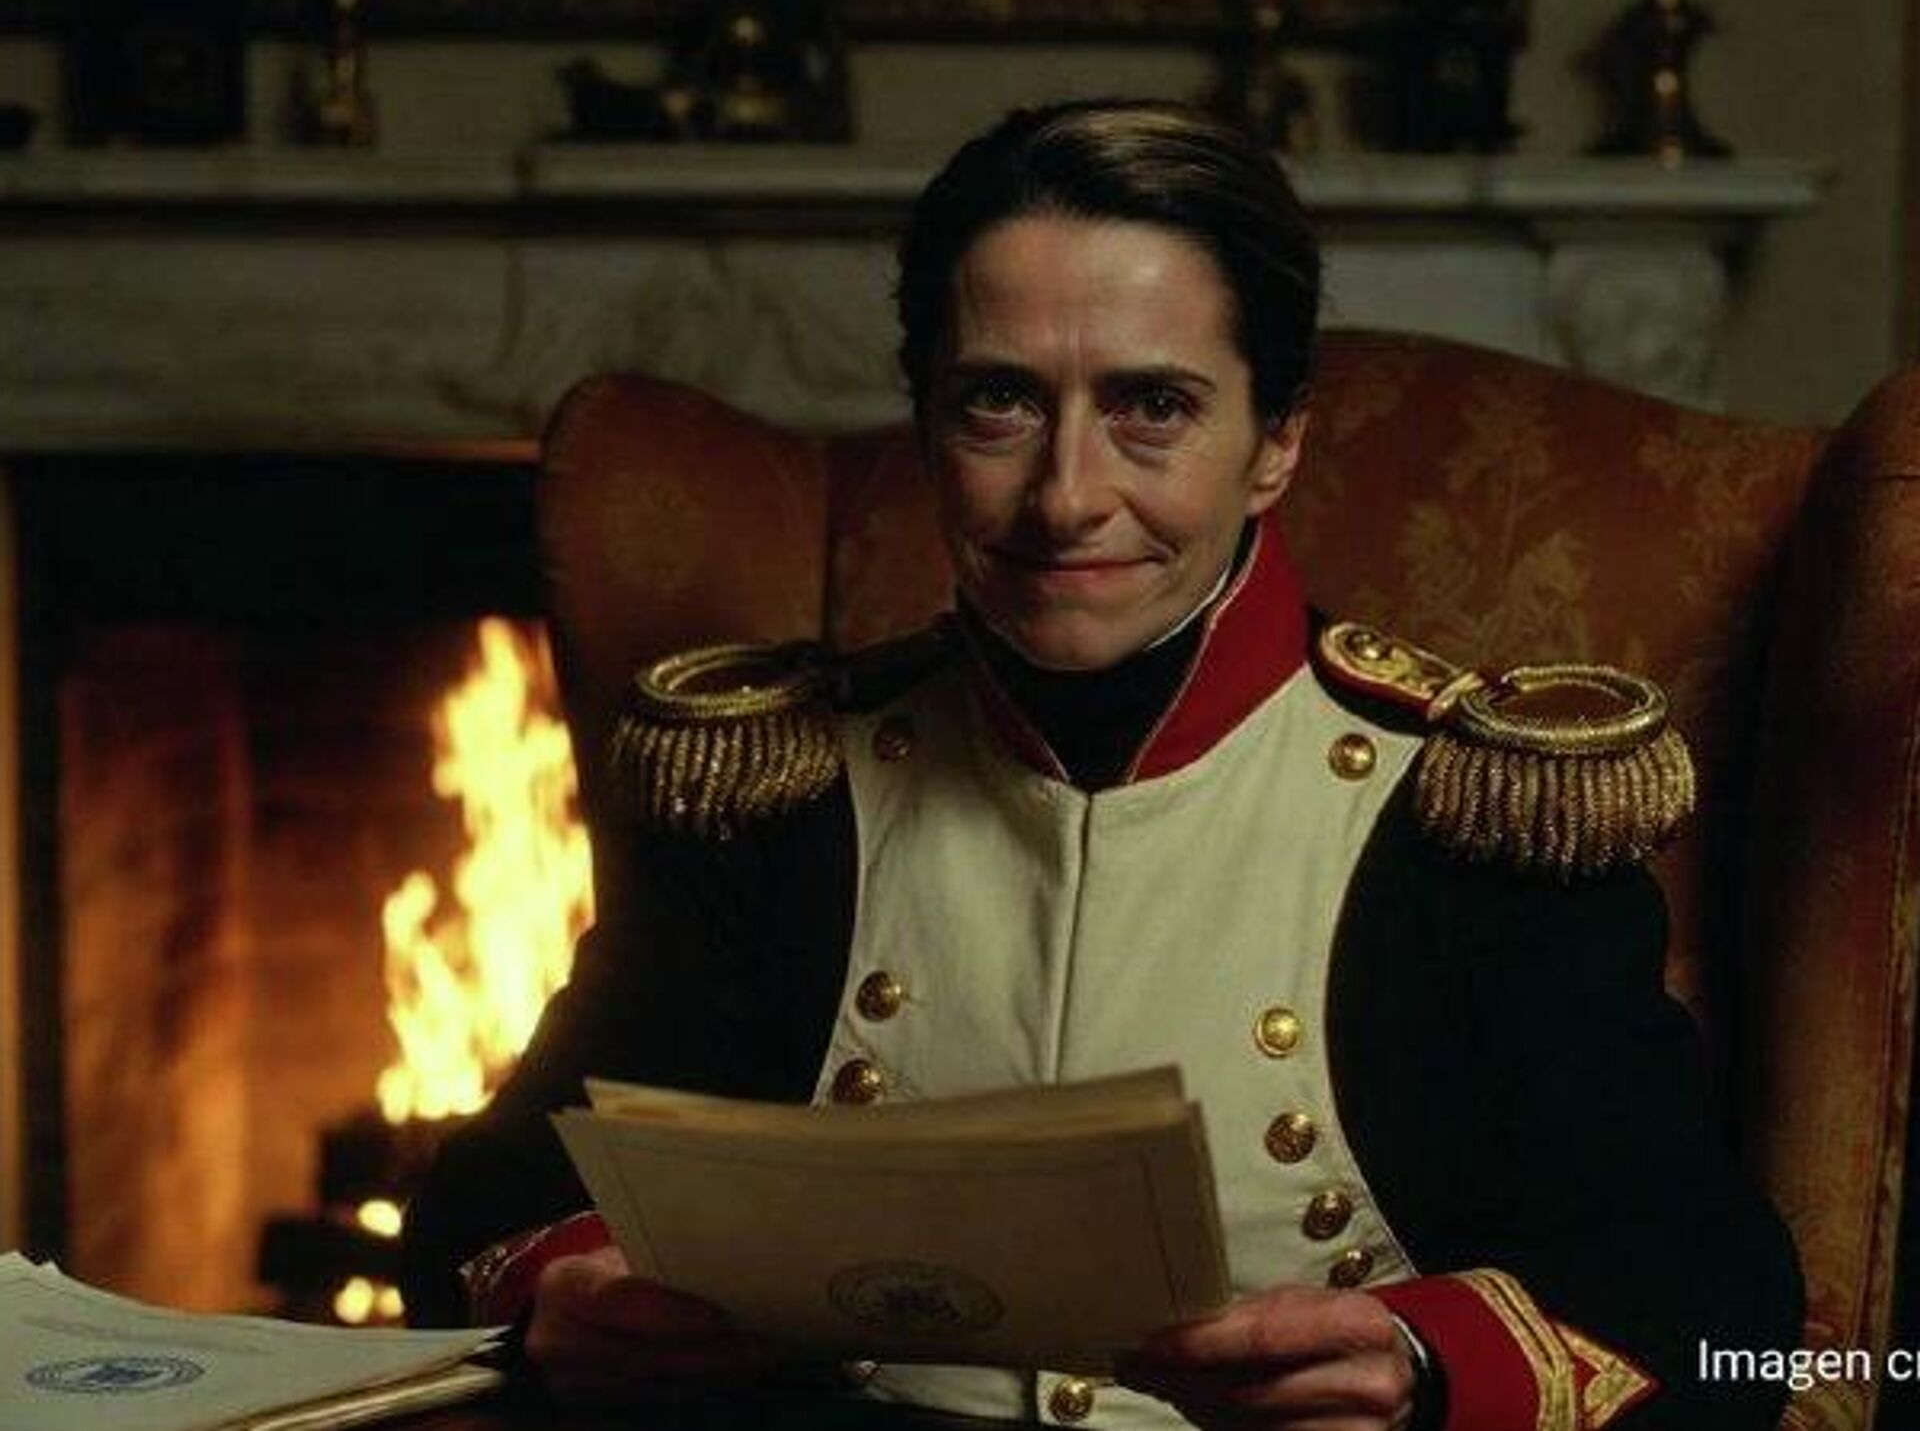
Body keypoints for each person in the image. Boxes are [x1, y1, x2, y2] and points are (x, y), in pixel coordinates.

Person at [401, 100, 1802, 1431]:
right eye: (1000, 403)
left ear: (1277, 441)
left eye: (1154, 408)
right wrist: (572, 1295)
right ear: (927, 425)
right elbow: (489, 1205)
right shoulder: (777, 798)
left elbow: (1722, 1310)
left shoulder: (1473, 818)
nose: (1068, 496)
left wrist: (1427, 1368)